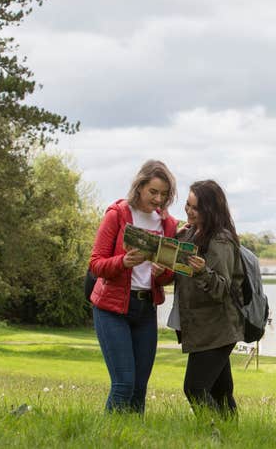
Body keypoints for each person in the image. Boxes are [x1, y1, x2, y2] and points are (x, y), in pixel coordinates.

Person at [89, 160, 179, 413]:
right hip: (111, 308)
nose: (158, 199)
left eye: (164, 194)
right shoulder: (117, 214)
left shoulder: (168, 225)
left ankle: (133, 438)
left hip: (145, 309)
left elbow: (167, 276)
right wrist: (123, 262)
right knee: (123, 384)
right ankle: (107, 439)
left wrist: (162, 273)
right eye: (153, 192)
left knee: (139, 388)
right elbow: (95, 264)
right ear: (139, 187)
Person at [168, 179, 245, 418]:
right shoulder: (191, 233)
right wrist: (175, 238)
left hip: (217, 328)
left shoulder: (220, 240)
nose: (189, 211)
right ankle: (231, 438)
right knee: (221, 393)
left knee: (194, 388)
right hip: (202, 327)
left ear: (209, 209)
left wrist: (202, 271)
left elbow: (222, 288)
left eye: (195, 207)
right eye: (187, 206)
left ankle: (212, 435)